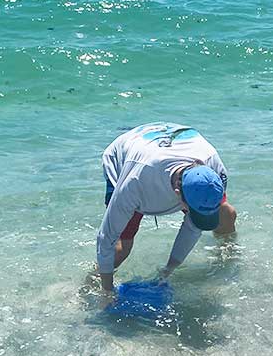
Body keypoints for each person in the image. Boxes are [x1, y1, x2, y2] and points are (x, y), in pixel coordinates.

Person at [96, 122, 237, 295]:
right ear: (178, 196)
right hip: (127, 157)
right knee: (121, 249)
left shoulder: (214, 167)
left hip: (172, 141)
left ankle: (228, 255)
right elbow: (106, 237)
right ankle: (91, 281)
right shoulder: (135, 183)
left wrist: (168, 270)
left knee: (226, 215)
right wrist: (107, 292)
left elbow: (193, 227)